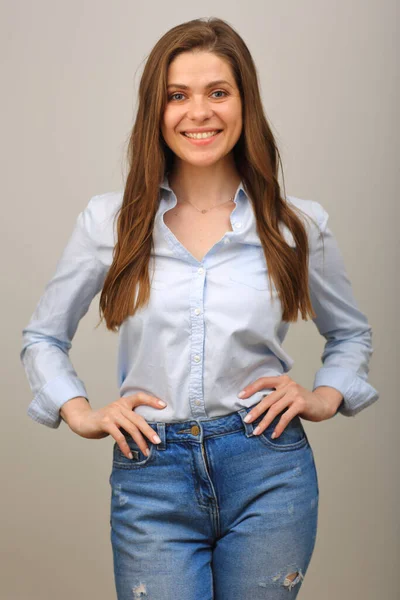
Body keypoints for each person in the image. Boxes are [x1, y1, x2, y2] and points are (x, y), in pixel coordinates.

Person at [20, 17, 379, 600]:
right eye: (177, 96)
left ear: (245, 103)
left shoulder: (296, 225)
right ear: (155, 112)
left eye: (218, 92)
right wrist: (79, 411)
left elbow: (351, 336)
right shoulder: (109, 223)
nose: (199, 112)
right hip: (151, 474)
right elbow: (42, 337)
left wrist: (322, 396)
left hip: (269, 472)